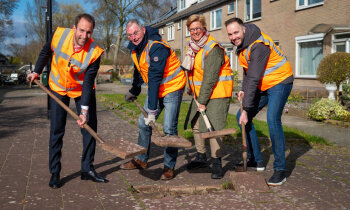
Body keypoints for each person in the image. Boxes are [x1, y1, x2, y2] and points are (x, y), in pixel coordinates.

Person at [27, 14, 108, 189]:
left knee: (89, 128)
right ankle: (55, 172)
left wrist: (84, 112)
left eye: (88, 32)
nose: (84, 36)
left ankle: (87, 169)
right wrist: (37, 71)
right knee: (57, 130)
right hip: (58, 88)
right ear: (74, 28)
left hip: (81, 90)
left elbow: (87, 83)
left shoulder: (95, 52)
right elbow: (45, 51)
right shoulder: (58, 35)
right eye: (81, 30)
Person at [225, 17, 294, 186]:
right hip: (264, 83)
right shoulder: (242, 46)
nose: (233, 37)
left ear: (244, 30)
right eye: (230, 34)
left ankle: (280, 170)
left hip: (280, 81)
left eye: (236, 32)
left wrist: (248, 109)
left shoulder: (258, 46)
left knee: (272, 120)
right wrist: (243, 88)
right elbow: (248, 71)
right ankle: (256, 161)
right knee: (240, 116)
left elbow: (254, 77)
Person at [120, 19, 186, 180]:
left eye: (136, 33)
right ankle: (141, 160)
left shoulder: (157, 46)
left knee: (169, 128)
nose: (134, 37)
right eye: (130, 35)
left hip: (172, 87)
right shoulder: (134, 48)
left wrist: (151, 111)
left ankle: (169, 166)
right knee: (143, 123)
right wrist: (134, 90)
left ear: (142, 30)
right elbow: (138, 70)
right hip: (157, 88)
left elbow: (155, 78)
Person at [183, 14, 233, 179]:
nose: (195, 32)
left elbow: (210, 78)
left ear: (204, 28)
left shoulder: (213, 48)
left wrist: (202, 101)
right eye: (192, 29)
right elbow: (194, 72)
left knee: (214, 128)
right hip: (201, 93)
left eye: (198, 28)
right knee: (196, 124)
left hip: (217, 94)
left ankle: (217, 163)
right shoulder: (192, 47)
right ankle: (201, 156)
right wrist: (191, 88)